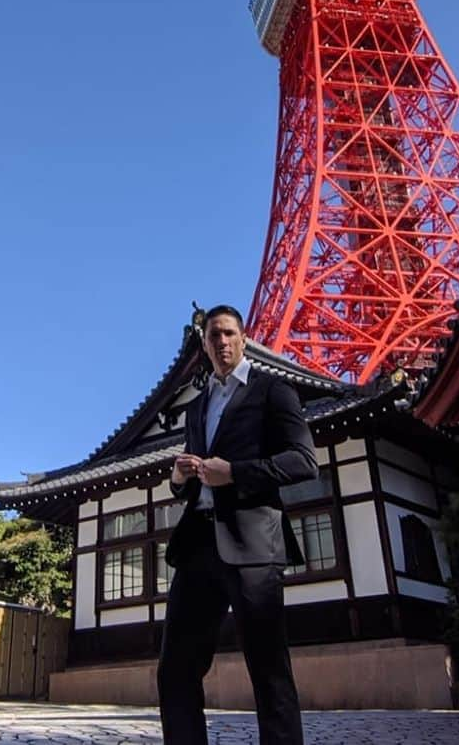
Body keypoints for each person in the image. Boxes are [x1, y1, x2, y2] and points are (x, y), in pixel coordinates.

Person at [157, 304, 317, 745]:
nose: (221, 342)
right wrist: (178, 478)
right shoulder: (197, 407)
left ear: (243, 339)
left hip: (252, 544)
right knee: (176, 669)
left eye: (228, 334)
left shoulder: (272, 391)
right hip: (198, 545)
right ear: (204, 345)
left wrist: (236, 472)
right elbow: (192, 484)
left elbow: (304, 461)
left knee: (267, 668)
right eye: (213, 336)